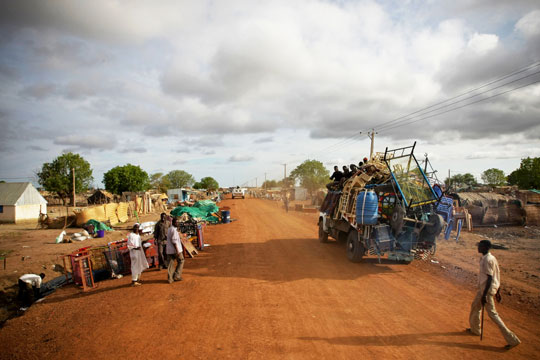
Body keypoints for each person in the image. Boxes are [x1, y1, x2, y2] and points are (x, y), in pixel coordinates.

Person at [467, 240, 521, 350]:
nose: (478, 248)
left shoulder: (487, 260)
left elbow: (490, 278)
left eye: (480, 246)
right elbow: (497, 274)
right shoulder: (489, 258)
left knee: (493, 315)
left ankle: (512, 339)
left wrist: (484, 295)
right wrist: (498, 291)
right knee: (475, 307)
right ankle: (475, 329)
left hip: (486, 291)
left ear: (486, 247)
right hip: (483, 289)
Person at [166, 218, 184, 284]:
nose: (177, 223)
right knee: (181, 260)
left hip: (169, 250)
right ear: (173, 223)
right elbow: (174, 241)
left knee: (170, 264)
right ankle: (177, 275)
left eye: (177, 222)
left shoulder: (169, 229)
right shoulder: (174, 230)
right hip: (175, 249)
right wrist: (177, 251)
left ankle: (170, 279)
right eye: (176, 222)